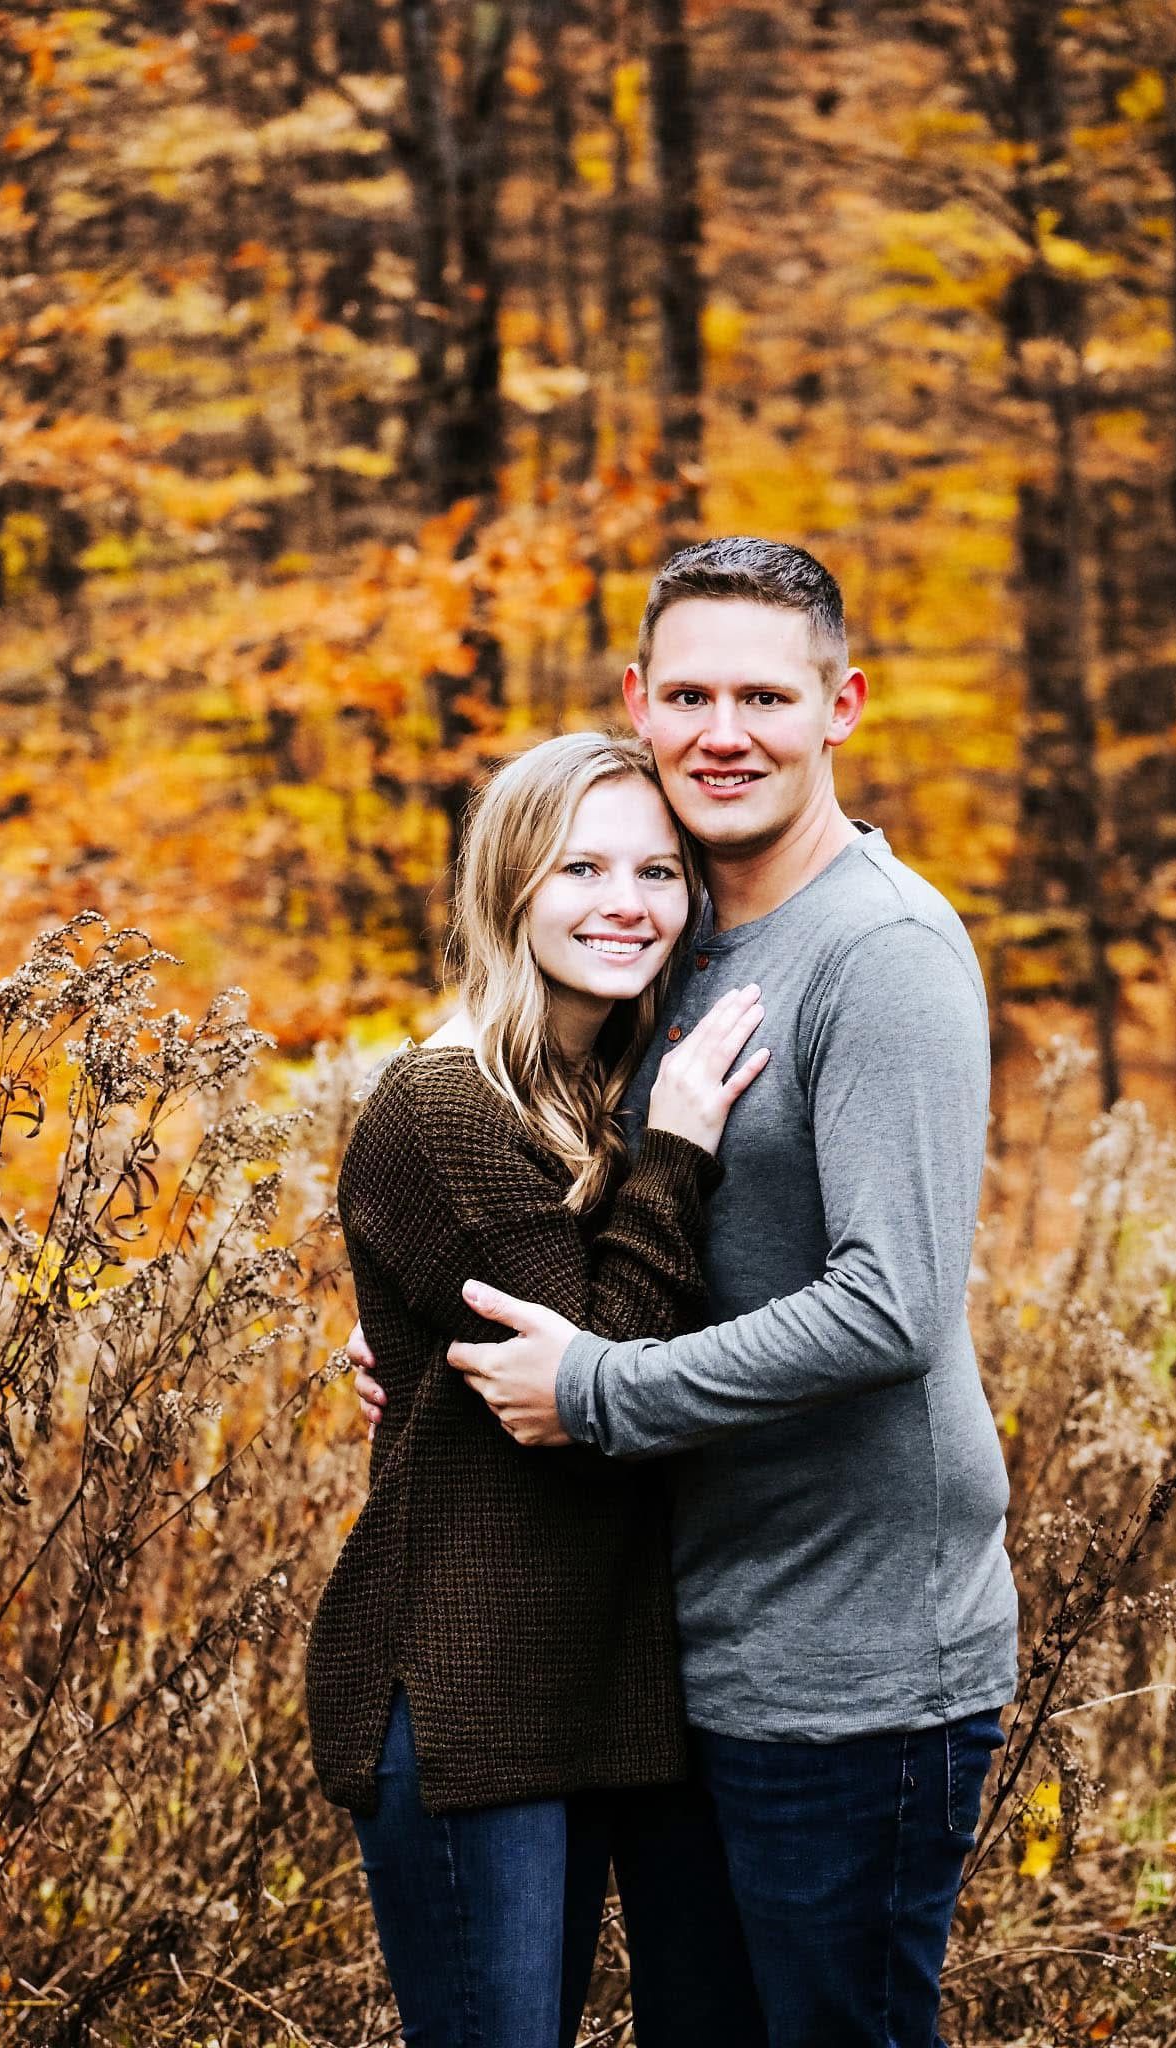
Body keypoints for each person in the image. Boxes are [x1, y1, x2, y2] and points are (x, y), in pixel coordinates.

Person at [350, 538, 1019, 2048]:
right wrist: (430, 1323)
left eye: (767, 697)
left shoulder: (883, 952)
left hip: (853, 1659)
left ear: (841, 704)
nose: (727, 732)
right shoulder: (673, 936)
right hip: (688, 1647)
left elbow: (889, 1307)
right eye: (694, 692)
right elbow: (591, 1190)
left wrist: (590, 1386)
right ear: (639, 702)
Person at [304, 730, 770, 2048]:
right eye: (580, 867)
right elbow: (592, 1399)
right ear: (508, 885)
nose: (626, 902)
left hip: (599, 1679)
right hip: (465, 1689)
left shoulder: (592, 1087)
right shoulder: (451, 1109)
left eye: (659, 871)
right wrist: (678, 1150)